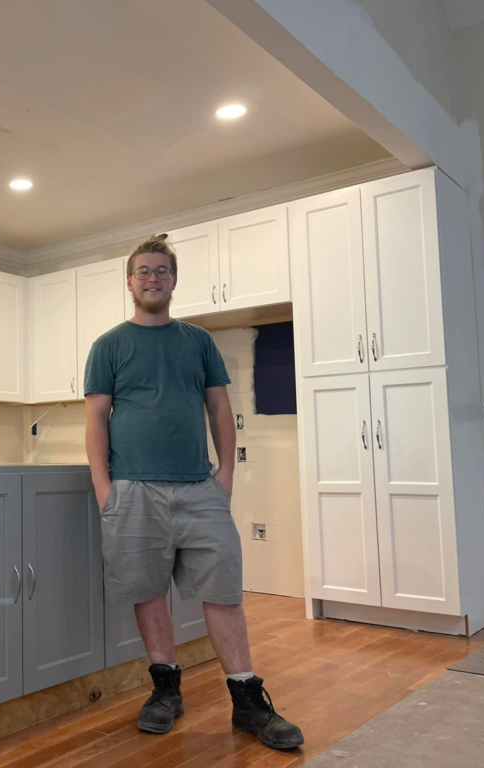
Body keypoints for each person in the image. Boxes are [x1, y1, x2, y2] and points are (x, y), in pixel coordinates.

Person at [83, 234, 304, 750]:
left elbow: (220, 410)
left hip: (199, 488)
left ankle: (247, 701)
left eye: (162, 270)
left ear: (174, 280)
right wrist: (104, 489)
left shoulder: (198, 341)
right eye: (143, 270)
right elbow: (95, 417)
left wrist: (225, 474)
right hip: (133, 489)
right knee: (147, 590)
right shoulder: (109, 345)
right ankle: (165, 691)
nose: (152, 278)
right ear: (130, 280)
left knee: (223, 591)